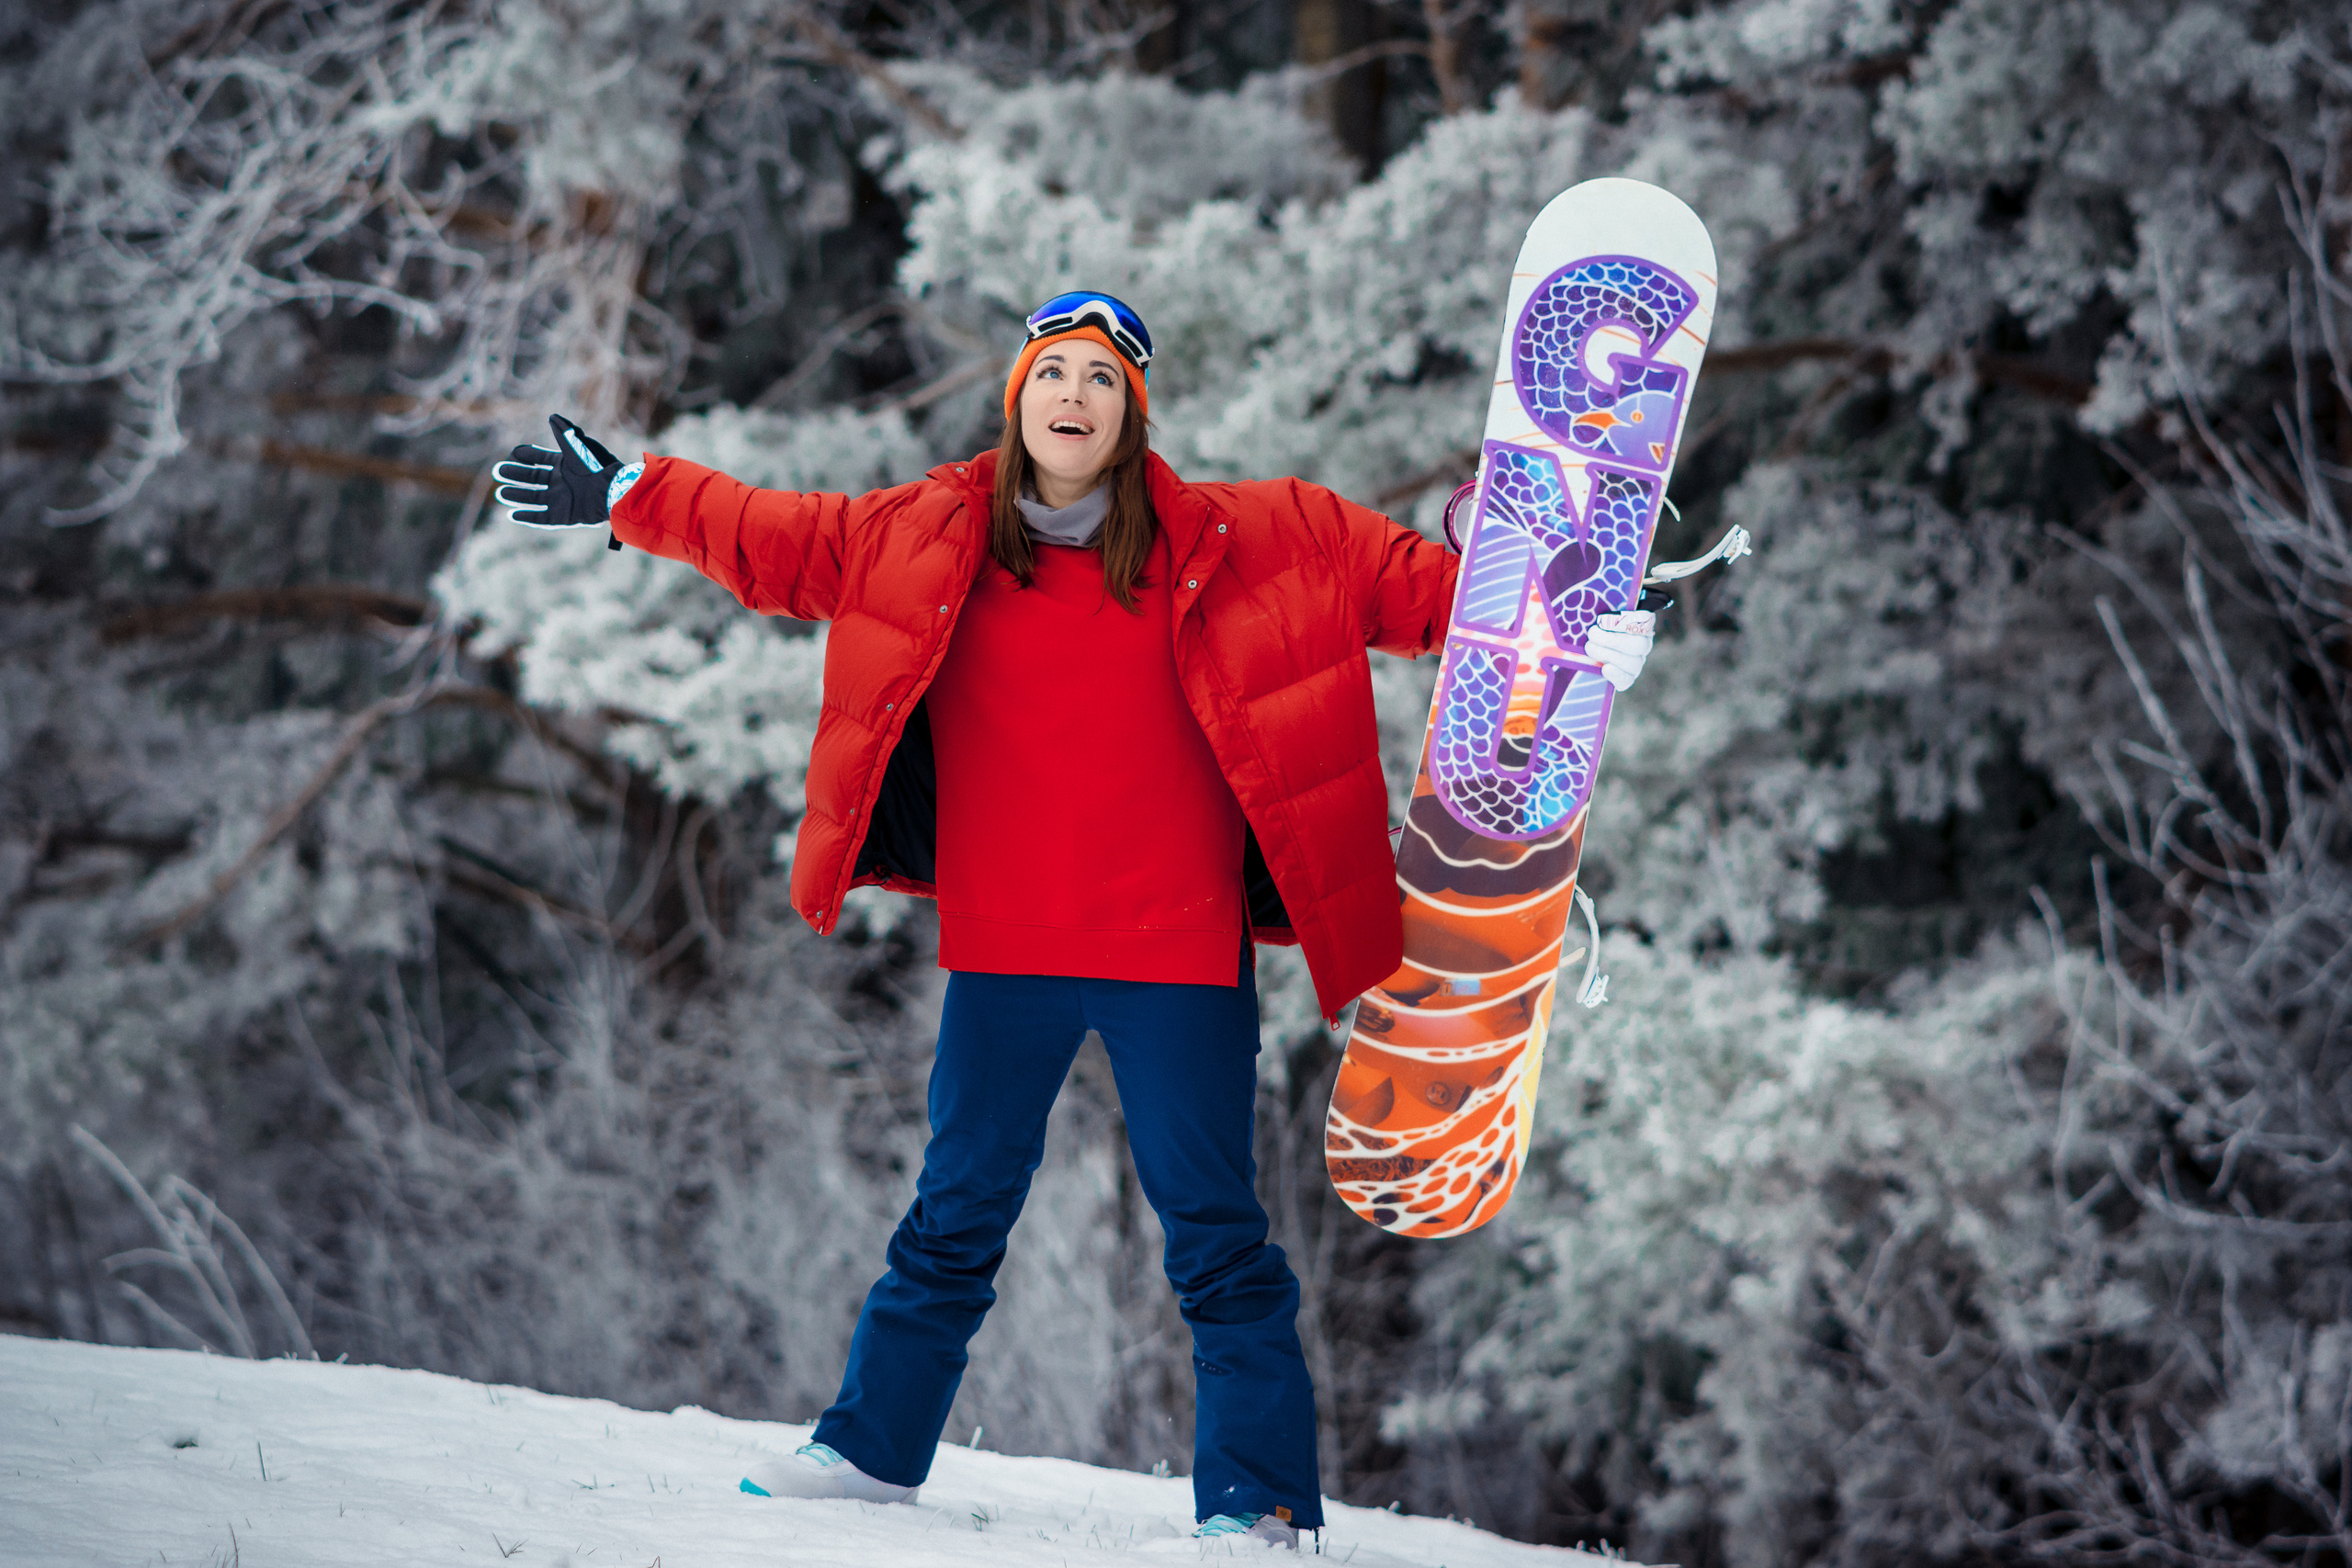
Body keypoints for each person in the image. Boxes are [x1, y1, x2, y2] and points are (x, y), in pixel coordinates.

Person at [492, 291, 1654, 1550]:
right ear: (1017, 398)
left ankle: (1256, 1505)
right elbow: (772, 537)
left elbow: (1436, 601)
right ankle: (873, 1452)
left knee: (1215, 1237)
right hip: (1008, 948)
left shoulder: (1259, 535)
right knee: (954, 1212)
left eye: (1102, 380)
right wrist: (632, 492)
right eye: (1054, 373)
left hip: (1178, 957)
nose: (1074, 397)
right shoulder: (926, 534)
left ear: (1132, 413)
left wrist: (1576, 630)